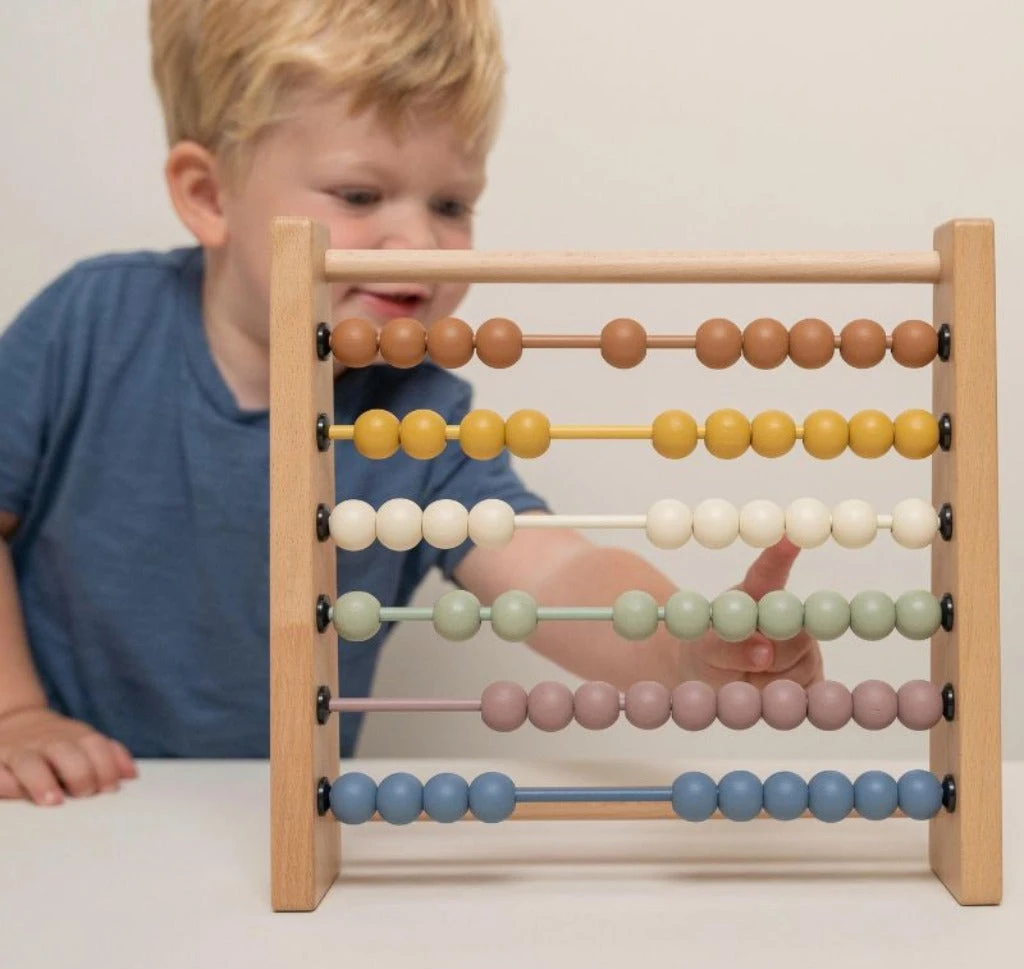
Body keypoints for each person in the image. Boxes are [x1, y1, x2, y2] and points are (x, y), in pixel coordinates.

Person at [0, 0, 822, 806]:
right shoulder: (87, 328)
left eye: (451, 205)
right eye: (360, 197)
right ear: (209, 195)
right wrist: (15, 714)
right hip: (65, 808)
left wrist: (683, 648)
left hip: (276, 815)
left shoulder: (420, 420)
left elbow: (555, 570)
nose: (421, 246)